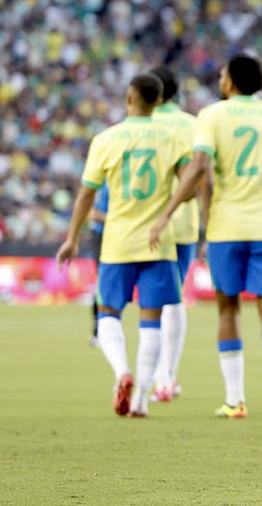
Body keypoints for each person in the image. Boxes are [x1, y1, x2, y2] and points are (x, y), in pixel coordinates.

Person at [151, 55, 262, 420]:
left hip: (226, 227)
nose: (219, 79)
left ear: (231, 81)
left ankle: (235, 400)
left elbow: (199, 167)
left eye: (221, 75)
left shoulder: (212, 116)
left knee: (228, 309)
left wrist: (168, 211)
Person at [56, 74, 191, 417]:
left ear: (129, 98)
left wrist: (72, 238)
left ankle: (121, 373)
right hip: (158, 244)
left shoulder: (106, 139)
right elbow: (191, 181)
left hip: (117, 243)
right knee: (152, 321)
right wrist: (167, 214)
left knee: (108, 314)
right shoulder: (173, 138)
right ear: (159, 101)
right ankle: (142, 400)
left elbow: (87, 192)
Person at [148, 65, 202, 403]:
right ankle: (167, 375)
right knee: (175, 296)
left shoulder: (141, 124)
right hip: (183, 223)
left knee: (151, 302)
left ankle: (154, 376)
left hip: (143, 223)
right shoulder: (193, 124)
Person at [86, 183, 109, 346]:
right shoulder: (102, 183)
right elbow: (93, 213)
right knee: (103, 283)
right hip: (102, 236)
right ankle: (98, 331)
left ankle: (107, 330)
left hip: (119, 235)